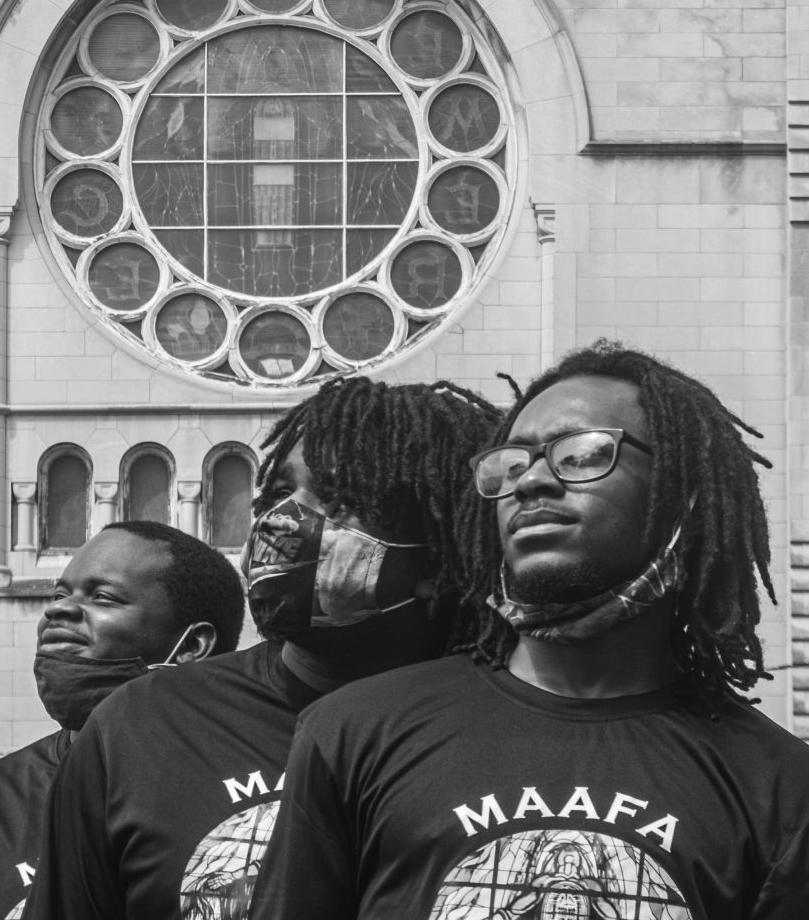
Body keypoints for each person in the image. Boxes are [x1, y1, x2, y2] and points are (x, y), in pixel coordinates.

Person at [253, 342, 809, 920]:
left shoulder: (790, 795)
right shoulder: (351, 734)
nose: (532, 481)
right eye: (511, 464)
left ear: (684, 496)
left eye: (581, 454)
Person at [26, 374, 501, 920]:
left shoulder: (503, 727)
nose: (282, 522)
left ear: (437, 558)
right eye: (279, 493)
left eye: (341, 501)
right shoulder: (142, 725)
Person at [0, 520, 245, 920]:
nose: (57, 608)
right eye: (60, 593)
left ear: (194, 645)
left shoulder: (281, 775)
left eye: (103, 597)